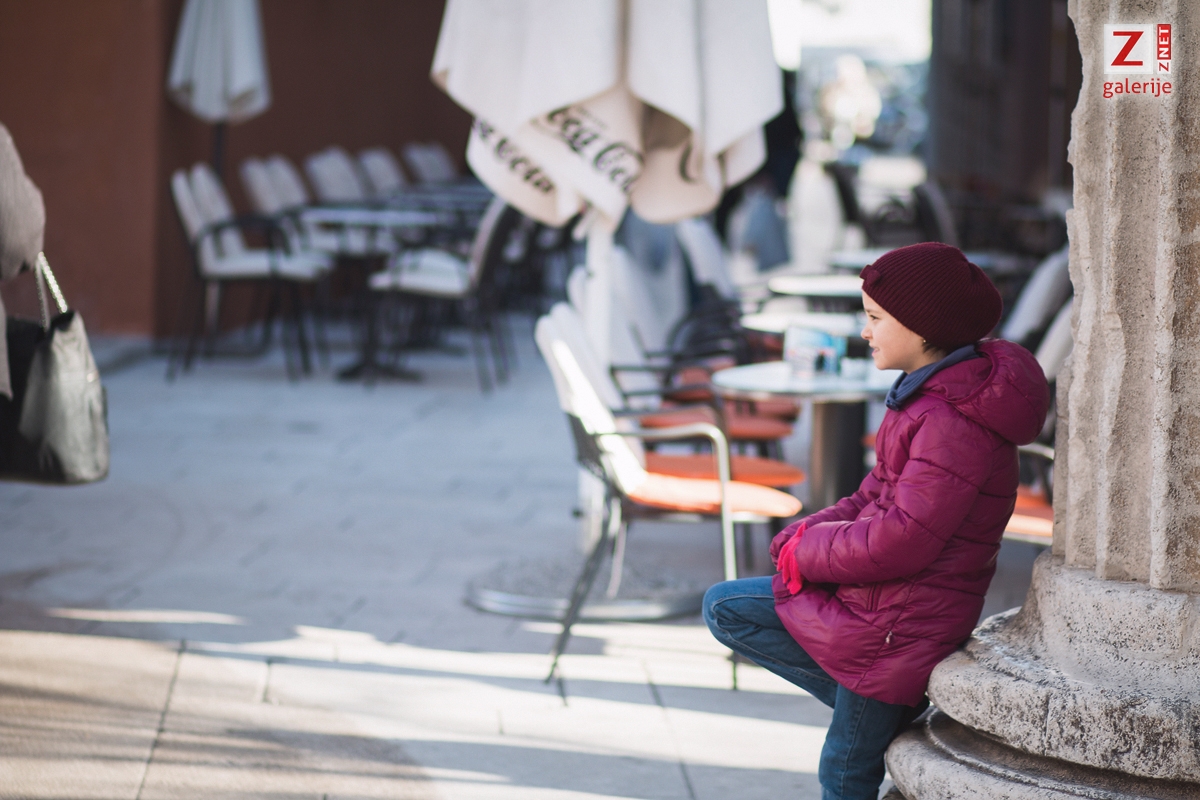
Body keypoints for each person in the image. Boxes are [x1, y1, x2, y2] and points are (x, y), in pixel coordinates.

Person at [703, 242, 1050, 800]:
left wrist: (806, 553)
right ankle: (882, 706)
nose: (865, 332)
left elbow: (901, 539)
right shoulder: (926, 398)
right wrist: (802, 534)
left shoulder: (951, 420)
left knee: (844, 770)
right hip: (880, 608)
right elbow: (873, 493)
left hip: (900, 626)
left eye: (875, 318)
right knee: (727, 607)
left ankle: (883, 703)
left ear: (923, 328)